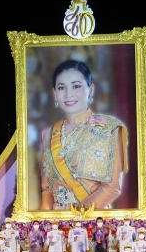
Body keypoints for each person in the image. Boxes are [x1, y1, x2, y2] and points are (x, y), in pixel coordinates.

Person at [39, 59, 127, 209]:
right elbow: (47, 189)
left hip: (93, 220)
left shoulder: (108, 129)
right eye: (61, 88)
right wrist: (46, 224)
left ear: (91, 89)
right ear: (54, 94)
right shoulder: (47, 134)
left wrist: (76, 220)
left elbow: (111, 188)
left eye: (76, 86)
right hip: (55, 224)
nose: (68, 94)